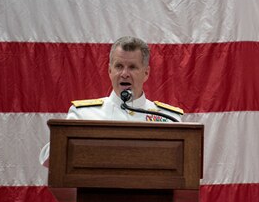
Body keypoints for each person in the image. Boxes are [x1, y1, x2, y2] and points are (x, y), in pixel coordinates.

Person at [39, 35, 183, 165]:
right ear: (110, 71)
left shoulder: (169, 119)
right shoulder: (83, 115)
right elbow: (50, 159)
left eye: (132, 67)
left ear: (146, 73)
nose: (124, 74)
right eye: (119, 66)